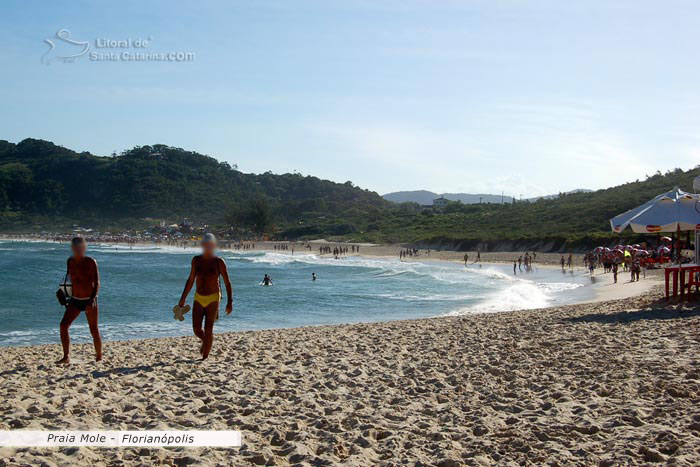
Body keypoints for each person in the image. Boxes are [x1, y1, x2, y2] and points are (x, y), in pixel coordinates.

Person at [178, 233, 233, 360]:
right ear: (202, 246)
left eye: (210, 245)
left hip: (214, 297)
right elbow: (191, 280)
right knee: (197, 329)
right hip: (199, 297)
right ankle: (206, 341)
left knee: (208, 329)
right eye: (205, 245)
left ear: (213, 246)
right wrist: (183, 298)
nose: (208, 247)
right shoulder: (196, 260)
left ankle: (204, 357)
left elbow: (227, 282)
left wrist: (230, 301)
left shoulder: (219, 262)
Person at [56, 237, 102, 364]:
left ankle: (99, 357)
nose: (78, 250)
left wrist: (91, 301)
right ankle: (66, 356)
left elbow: (97, 283)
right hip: (75, 300)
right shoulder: (70, 261)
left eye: (80, 247)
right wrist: (61, 292)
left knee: (94, 329)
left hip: (89, 300)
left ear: (83, 248)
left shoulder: (91, 262)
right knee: (63, 325)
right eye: (75, 248)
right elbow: (69, 279)